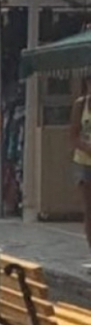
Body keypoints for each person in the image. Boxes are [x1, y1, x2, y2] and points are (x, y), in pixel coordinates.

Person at [70, 78, 91, 258]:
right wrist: (87, 147)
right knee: (89, 210)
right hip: (84, 162)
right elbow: (73, 136)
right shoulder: (81, 104)